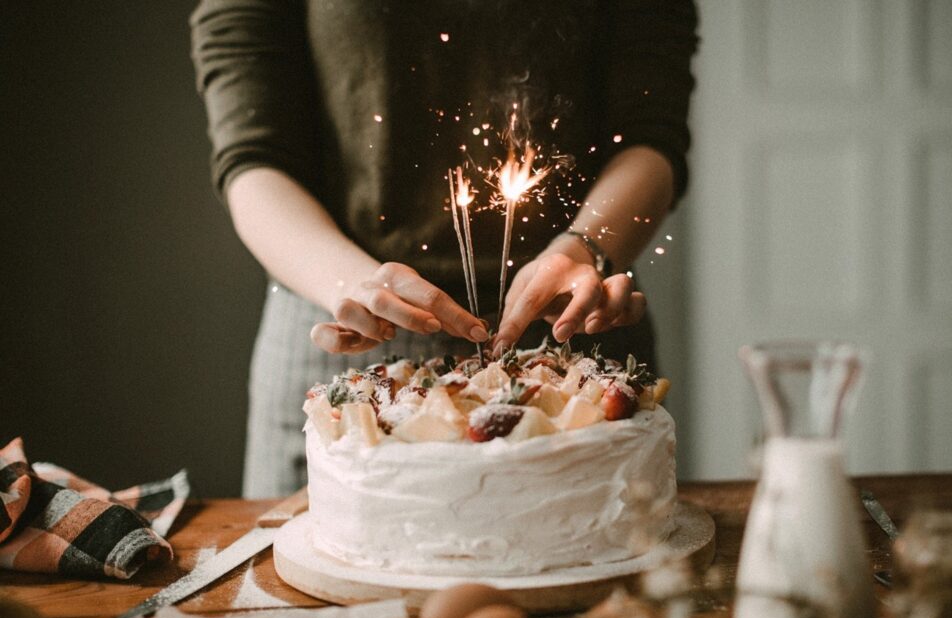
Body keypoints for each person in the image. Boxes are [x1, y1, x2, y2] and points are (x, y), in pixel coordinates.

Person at [191, 0, 698, 497]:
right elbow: (252, 156)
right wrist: (352, 284)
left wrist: (585, 249)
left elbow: (649, 133)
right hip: (340, 337)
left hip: (574, 335)